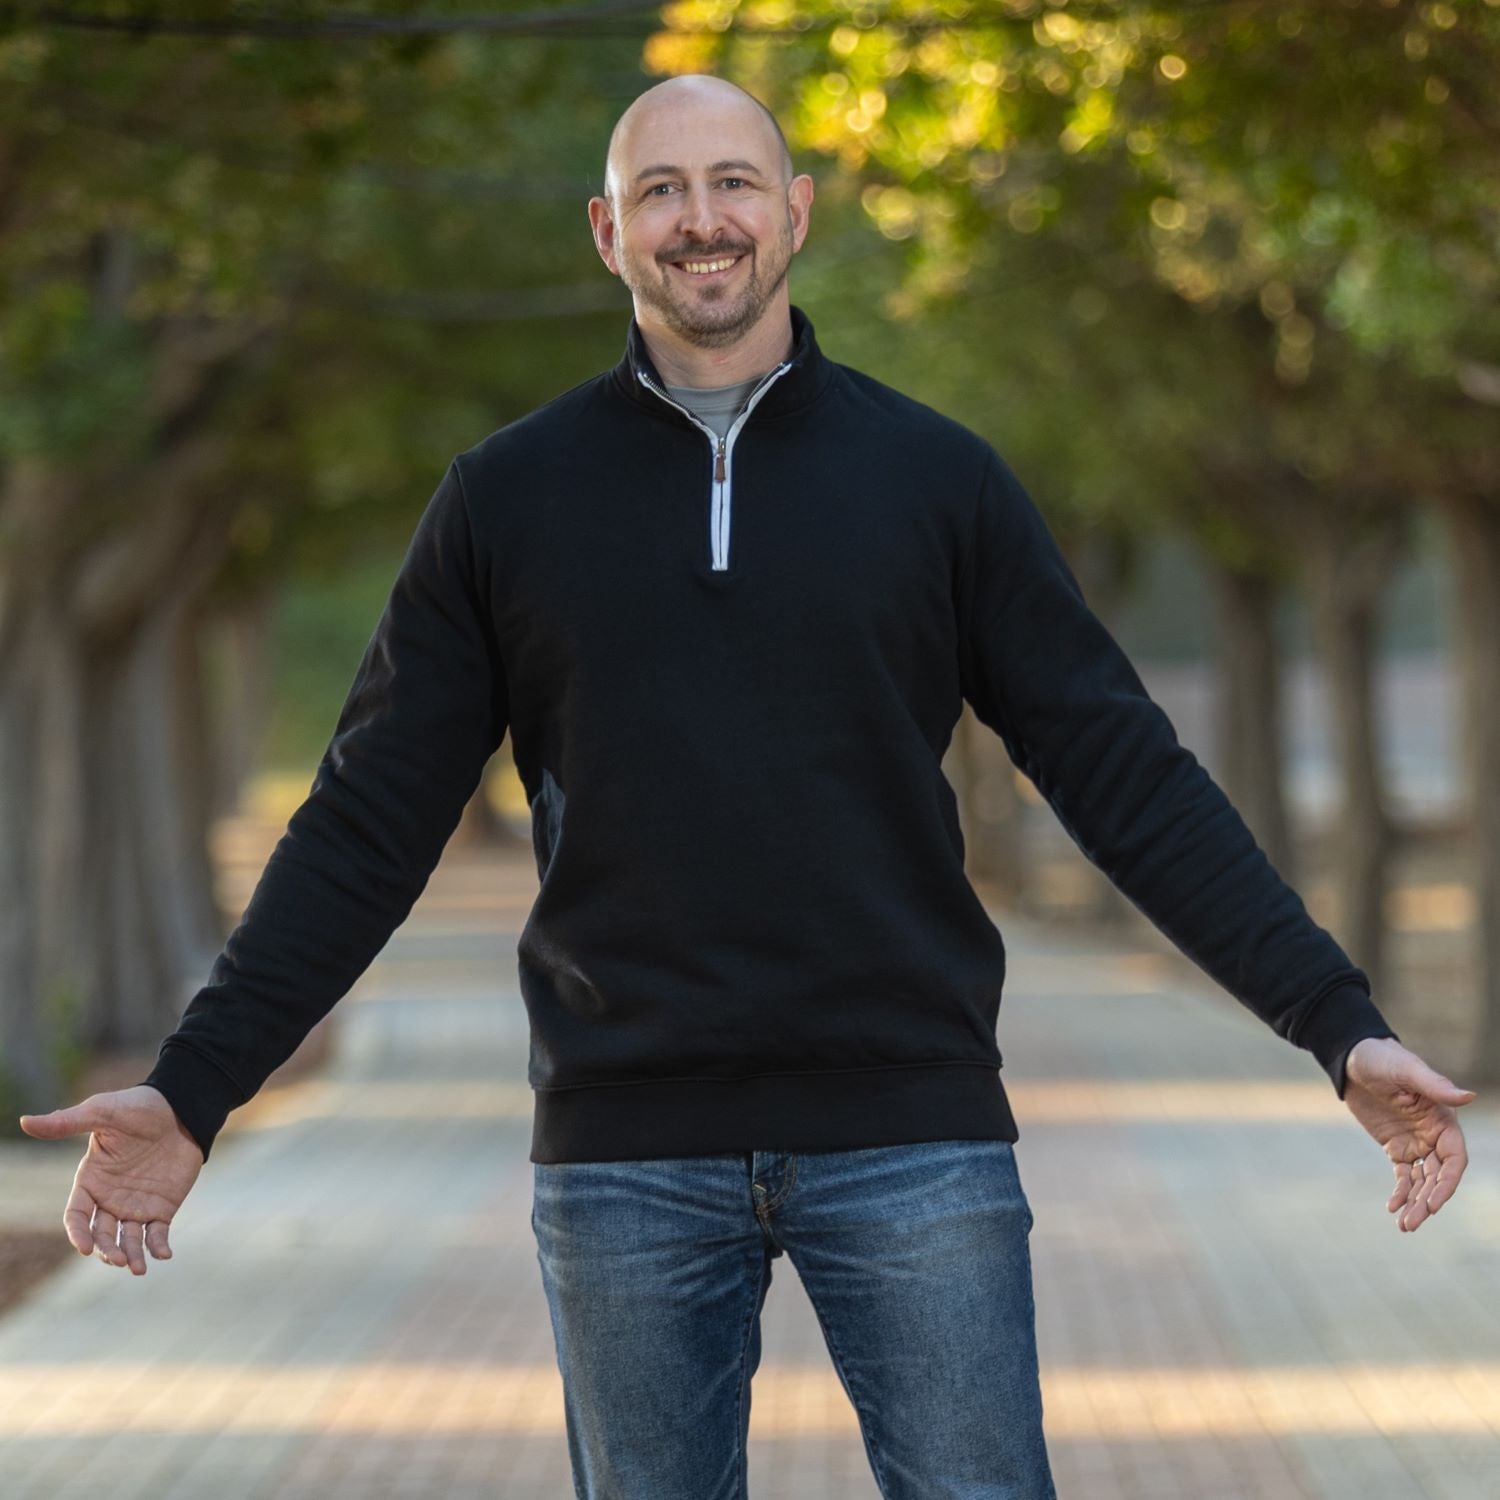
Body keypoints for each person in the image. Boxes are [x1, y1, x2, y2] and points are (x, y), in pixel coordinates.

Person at [19, 73, 1477, 1500]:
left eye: (730, 184)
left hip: (914, 1131)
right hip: (624, 1146)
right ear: (607, 232)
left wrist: (1334, 1023)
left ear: (794, 213)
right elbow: (364, 821)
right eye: (659, 190)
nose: (697, 219)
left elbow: (1125, 775)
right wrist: (197, 1088)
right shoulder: (505, 500)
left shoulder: (938, 482)